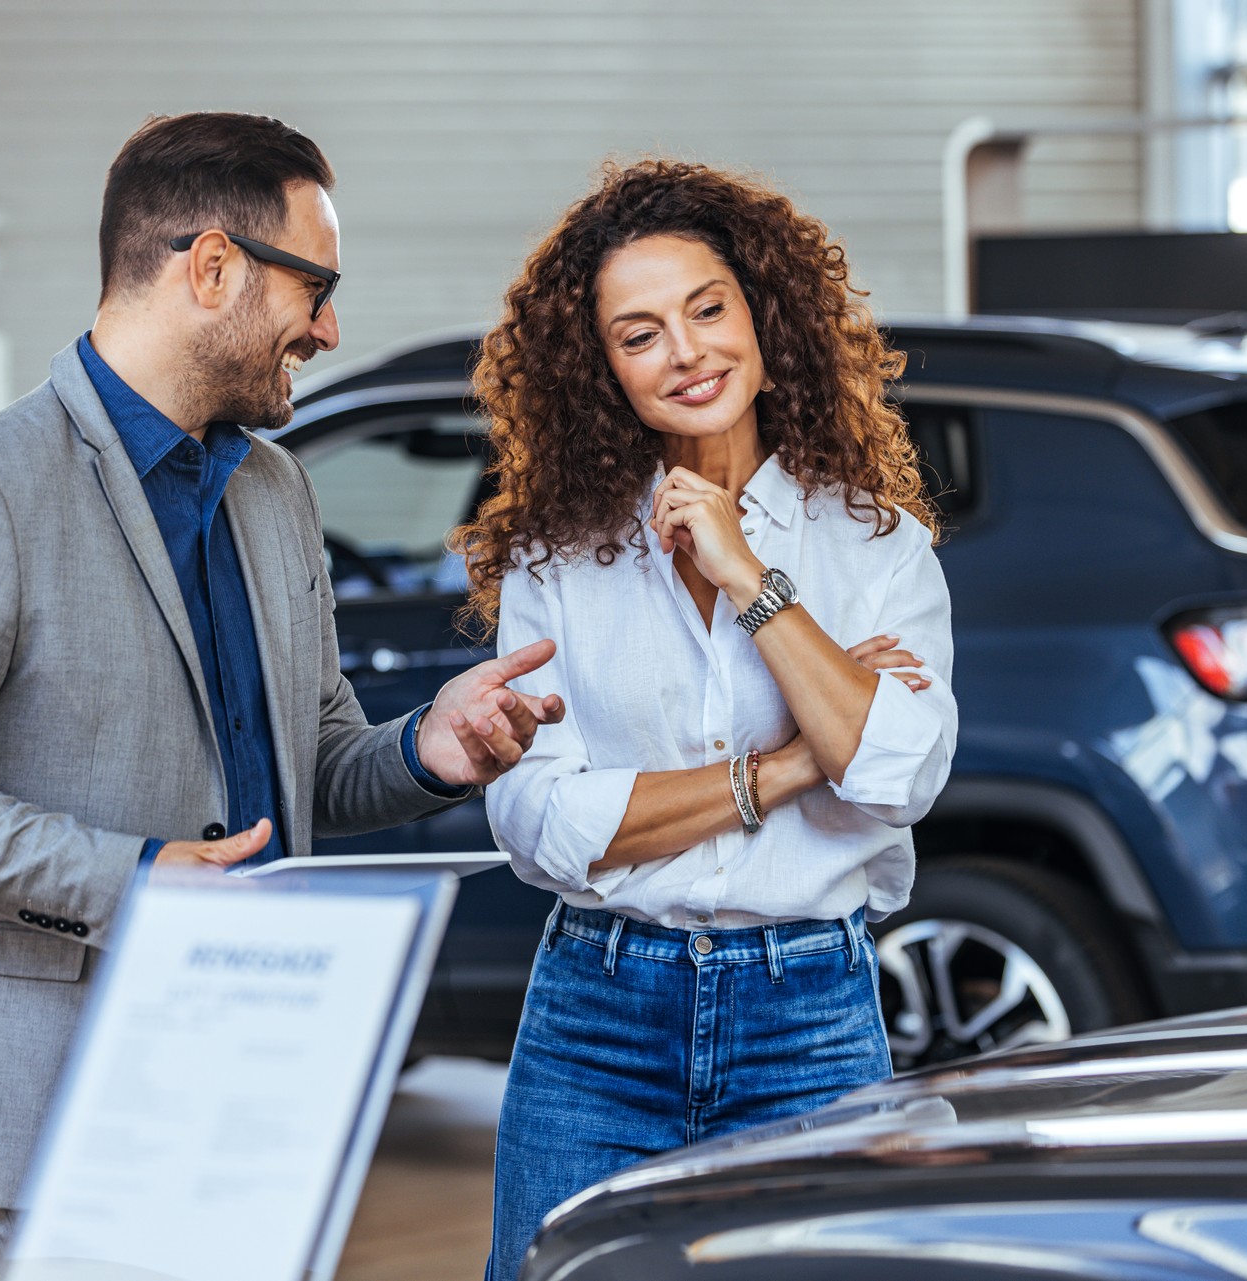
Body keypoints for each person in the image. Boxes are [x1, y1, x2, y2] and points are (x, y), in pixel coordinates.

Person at [0, 111, 562, 1280]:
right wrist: (133, 881)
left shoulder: (273, 491)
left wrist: (431, 749)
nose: (329, 327)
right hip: (58, 1090)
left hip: (258, 1080)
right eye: (314, 288)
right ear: (211, 268)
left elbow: (308, 766)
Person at [460, 158, 957, 1279]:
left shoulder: (874, 544)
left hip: (811, 1019)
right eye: (639, 335)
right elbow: (540, 821)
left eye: (706, 310)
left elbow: (894, 778)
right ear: (604, 372)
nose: (685, 353)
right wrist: (787, 767)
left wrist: (749, 576)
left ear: (764, 318)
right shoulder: (558, 558)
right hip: (597, 1011)